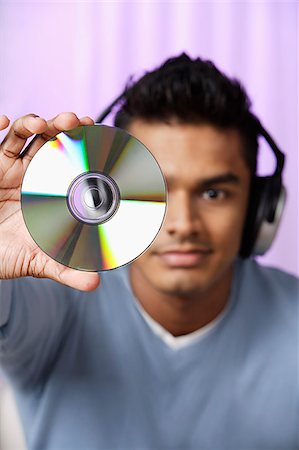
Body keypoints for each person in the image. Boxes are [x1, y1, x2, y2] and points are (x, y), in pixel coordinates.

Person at [0, 54, 298, 450]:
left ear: (261, 206)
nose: (183, 223)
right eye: (155, 190)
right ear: (109, 190)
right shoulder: (55, 303)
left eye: (214, 193)